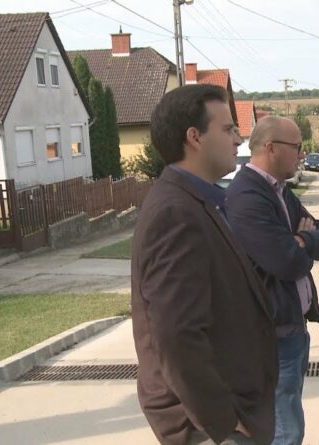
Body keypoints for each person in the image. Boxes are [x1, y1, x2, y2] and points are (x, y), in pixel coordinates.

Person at [131, 84, 278, 445]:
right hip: (206, 426)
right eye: (227, 129)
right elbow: (175, 334)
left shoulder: (198, 202)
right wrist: (223, 424)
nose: (238, 140)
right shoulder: (175, 213)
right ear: (194, 137)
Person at [225, 116, 319, 445]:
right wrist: (300, 243)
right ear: (271, 148)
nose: (302, 154)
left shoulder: (279, 191)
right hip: (271, 337)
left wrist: (302, 240)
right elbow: (286, 262)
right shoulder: (248, 196)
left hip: (292, 330)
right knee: (285, 432)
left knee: (288, 427)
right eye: (297, 147)